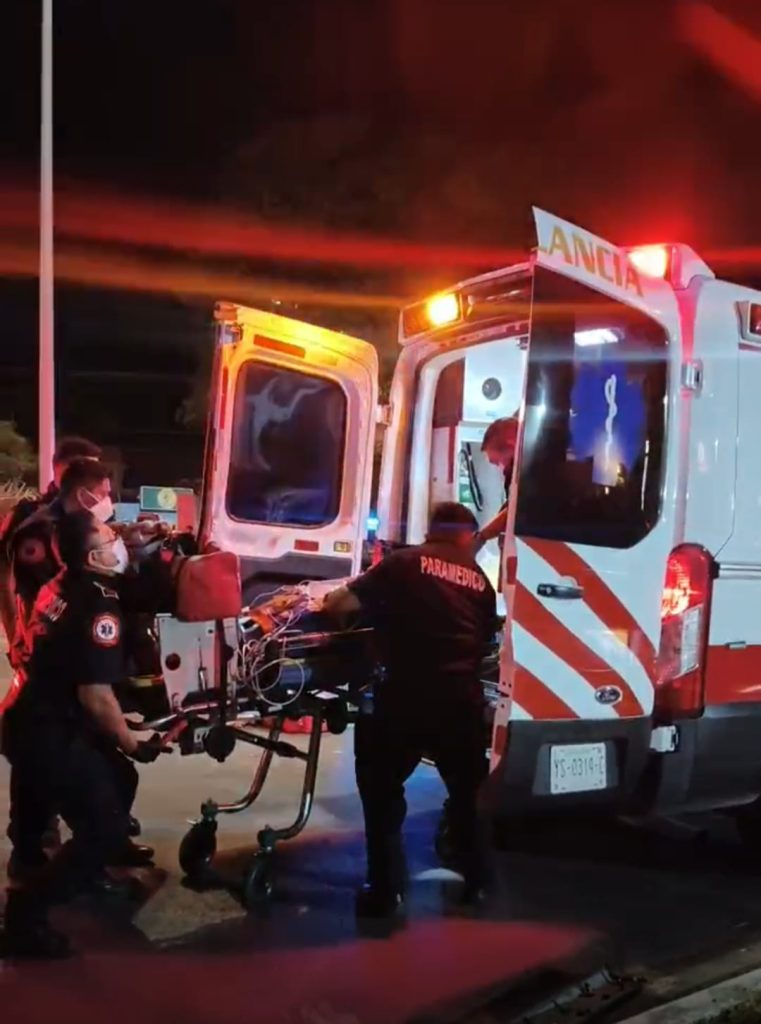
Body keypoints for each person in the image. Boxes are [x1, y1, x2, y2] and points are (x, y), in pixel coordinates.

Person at [0, 511, 168, 958]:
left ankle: (85, 866)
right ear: (94, 556)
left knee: (120, 778)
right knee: (105, 826)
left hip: (28, 717)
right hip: (49, 730)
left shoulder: (61, 582)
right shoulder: (99, 606)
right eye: (110, 536)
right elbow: (96, 695)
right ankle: (24, 916)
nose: (118, 541)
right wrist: (133, 742)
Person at [323, 502, 498, 919]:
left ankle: (385, 891)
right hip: (461, 702)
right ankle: (478, 883)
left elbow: (341, 605)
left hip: (405, 698)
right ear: (467, 536)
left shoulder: (402, 563)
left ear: (431, 530)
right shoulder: (481, 583)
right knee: (468, 795)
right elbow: (486, 643)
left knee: (381, 788)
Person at [0, 436, 102, 661]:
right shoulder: (29, 517)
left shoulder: (92, 519)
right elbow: (4, 579)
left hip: (86, 636)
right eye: (88, 469)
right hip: (42, 636)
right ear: (64, 470)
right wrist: (16, 637)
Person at [474, 416, 519, 548]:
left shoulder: (533, 475)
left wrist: (481, 537)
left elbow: (513, 512)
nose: (501, 469)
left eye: (498, 462)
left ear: (512, 446)